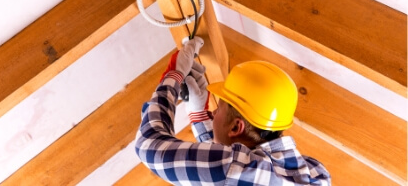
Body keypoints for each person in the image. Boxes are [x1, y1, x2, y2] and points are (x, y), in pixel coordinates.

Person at [135, 38, 331, 185]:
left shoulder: (235, 169)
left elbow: (149, 145)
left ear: (237, 126)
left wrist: (173, 76)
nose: (214, 114)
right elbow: (227, 167)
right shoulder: (316, 173)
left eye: (218, 107)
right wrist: (199, 116)